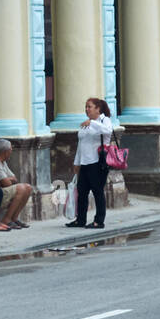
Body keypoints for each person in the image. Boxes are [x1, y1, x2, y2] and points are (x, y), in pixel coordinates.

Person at [66, 97, 113, 229]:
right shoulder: (86, 123)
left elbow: (108, 131)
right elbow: (81, 145)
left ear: (98, 109)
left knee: (97, 191)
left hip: (98, 162)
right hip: (84, 163)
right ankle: (80, 219)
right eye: (86, 107)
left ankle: (99, 220)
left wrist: (92, 123)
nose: (87, 109)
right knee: (82, 192)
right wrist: (77, 162)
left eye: (90, 107)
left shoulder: (104, 120)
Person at [0, 139, 34, 229]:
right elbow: (7, 183)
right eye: (11, 149)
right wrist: (7, 180)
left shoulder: (3, 162)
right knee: (21, 189)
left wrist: (7, 179)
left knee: (28, 188)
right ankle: (6, 219)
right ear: (5, 152)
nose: (12, 151)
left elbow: (14, 178)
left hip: (3, 190)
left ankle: (14, 218)